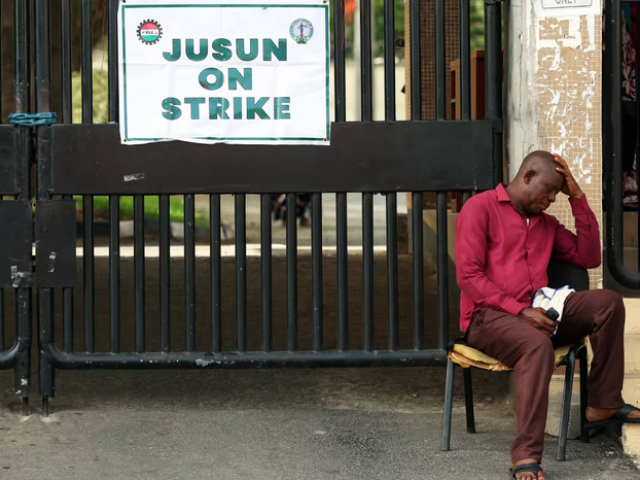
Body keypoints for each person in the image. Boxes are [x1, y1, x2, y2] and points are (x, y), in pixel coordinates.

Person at [455, 151, 640, 480]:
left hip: (540, 310)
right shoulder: (479, 209)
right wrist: (520, 311)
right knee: (536, 345)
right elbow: (468, 276)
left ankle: (603, 404)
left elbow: (588, 256)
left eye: (558, 193)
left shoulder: (546, 225)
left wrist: (578, 198)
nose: (553, 199)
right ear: (527, 177)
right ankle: (525, 455)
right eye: (550, 190)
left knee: (609, 302)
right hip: (488, 318)